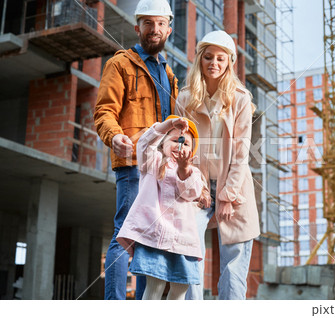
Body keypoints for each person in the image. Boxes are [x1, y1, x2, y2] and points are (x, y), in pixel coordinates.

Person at [93, 0, 178, 300]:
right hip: (132, 163)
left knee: (150, 241)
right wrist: (114, 136)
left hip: (161, 170)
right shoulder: (120, 64)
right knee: (125, 235)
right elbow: (104, 111)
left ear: (169, 29)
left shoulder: (169, 75)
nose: (154, 30)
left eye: (160, 24)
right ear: (137, 26)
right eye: (148, 23)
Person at [175, 30, 260, 300]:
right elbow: (181, 147)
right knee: (189, 252)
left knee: (234, 264)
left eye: (221, 59)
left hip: (234, 186)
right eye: (208, 57)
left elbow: (240, 150)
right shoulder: (185, 99)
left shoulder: (241, 99)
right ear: (200, 59)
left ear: (229, 62)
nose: (214, 63)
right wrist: (195, 184)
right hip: (195, 186)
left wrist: (227, 195)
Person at [116, 115, 204, 300]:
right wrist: (168, 124)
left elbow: (192, 192)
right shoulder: (152, 162)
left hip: (183, 242)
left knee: (180, 289)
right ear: (163, 144)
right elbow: (144, 143)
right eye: (175, 139)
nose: (180, 145)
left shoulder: (194, 172)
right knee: (155, 286)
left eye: (186, 143)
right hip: (154, 239)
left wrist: (184, 168)